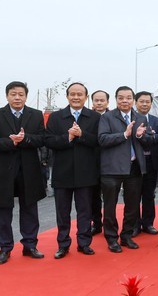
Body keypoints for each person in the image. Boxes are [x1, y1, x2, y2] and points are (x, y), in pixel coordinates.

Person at [45, 82, 100, 259]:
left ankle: (84, 243)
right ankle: (63, 244)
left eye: (80, 94)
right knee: (62, 211)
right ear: (67, 96)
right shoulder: (56, 117)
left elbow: (99, 141)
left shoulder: (94, 117)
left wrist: (82, 135)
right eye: (72, 94)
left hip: (86, 172)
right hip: (62, 172)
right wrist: (67, 137)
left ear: (86, 97)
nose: (76, 97)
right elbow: (49, 141)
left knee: (85, 211)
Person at [98, 86, 151, 253]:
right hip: (112, 168)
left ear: (133, 100)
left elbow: (149, 142)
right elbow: (102, 139)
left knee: (133, 205)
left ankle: (127, 235)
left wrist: (142, 136)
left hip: (134, 167)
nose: (125, 101)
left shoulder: (140, 117)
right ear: (116, 99)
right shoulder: (107, 117)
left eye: (128, 97)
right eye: (121, 98)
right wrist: (124, 134)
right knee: (110, 206)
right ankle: (111, 238)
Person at [0, 81, 46, 264]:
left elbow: (42, 139)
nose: (17, 97)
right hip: (4, 171)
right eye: (13, 94)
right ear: (7, 96)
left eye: (21, 94)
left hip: (29, 169)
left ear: (26, 96)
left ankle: (30, 245)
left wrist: (25, 138)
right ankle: (5, 247)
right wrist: (11, 142)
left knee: (30, 209)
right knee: (4, 211)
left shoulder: (35, 115)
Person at [133, 91, 158, 237]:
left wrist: (149, 137)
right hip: (135, 163)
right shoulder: (131, 120)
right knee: (134, 195)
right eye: (141, 101)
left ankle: (148, 223)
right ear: (135, 103)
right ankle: (135, 225)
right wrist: (150, 136)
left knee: (149, 195)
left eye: (147, 102)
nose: (144, 104)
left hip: (152, 162)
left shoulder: (157, 120)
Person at [90, 89, 109, 235]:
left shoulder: (112, 117)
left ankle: (110, 225)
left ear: (108, 102)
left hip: (110, 162)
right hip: (92, 163)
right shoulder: (89, 118)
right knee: (93, 196)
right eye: (96, 100)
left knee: (110, 197)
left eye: (102, 100)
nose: (99, 103)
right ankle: (96, 223)